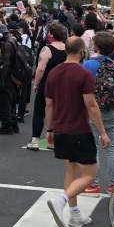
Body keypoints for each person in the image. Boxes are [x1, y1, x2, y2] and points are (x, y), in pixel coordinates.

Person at [45, 36, 110, 227]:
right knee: (90, 174)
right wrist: (103, 132)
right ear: (82, 51)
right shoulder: (83, 74)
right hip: (79, 129)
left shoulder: (54, 73)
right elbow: (91, 105)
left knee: (70, 170)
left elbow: (49, 104)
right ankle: (62, 200)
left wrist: (49, 129)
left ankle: (74, 214)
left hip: (59, 127)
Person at [82, 31, 114, 195]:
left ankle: (93, 184)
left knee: (94, 148)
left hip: (93, 109)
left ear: (96, 47)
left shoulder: (88, 65)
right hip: (111, 110)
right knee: (112, 148)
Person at [28, 22, 68, 151]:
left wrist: (36, 83)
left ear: (51, 34)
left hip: (47, 83)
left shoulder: (47, 49)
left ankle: (35, 140)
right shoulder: (68, 49)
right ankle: (55, 140)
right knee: (58, 112)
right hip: (63, 85)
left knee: (39, 112)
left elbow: (40, 69)